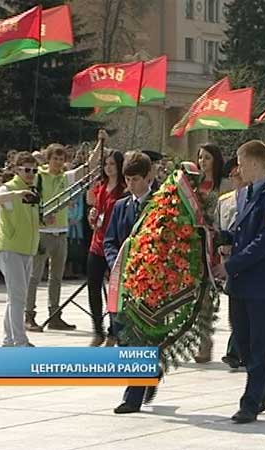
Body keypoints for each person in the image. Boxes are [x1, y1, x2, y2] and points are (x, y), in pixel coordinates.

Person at [213, 140, 265, 424]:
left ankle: (250, 402)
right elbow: (239, 231)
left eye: (242, 164)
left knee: (258, 343)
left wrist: (230, 265)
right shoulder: (243, 195)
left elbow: (264, 242)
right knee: (242, 343)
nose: (239, 169)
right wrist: (224, 239)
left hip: (258, 283)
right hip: (240, 282)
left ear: (255, 163)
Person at [25, 132, 104, 332]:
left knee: (56, 277)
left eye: (61, 159)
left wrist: (100, 143)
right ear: (48, 159)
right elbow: (29, 202)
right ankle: (29, 315)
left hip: (61, 232)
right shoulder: (38, 177)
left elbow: (88, 167)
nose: (59, 162)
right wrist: (42, 216)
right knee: (34, 276)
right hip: (43, 231)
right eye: (55, 158)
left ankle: (54, 315)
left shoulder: (65, 177)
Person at [104, 151, 158, 414]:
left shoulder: (160, 207)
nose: (132, 185)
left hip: (150, 282)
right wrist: (117, 261)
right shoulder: (120, 206)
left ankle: (132, 396)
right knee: (123, 335)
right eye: (128, 180)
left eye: (136, 179)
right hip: (122, 281)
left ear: (148, 177)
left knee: (141, 336)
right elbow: (109, 240)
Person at [0, 152, 41, 347]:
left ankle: (8, 339)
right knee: (18, 295)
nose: (30, 174)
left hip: (27, 249)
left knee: (16, 296)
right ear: (17, 170)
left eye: (34, 170)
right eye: (27, 170)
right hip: (9, 248)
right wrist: (16, 194)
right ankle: (20, 340)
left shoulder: (33, 190)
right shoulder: (9, 187)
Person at [87, 150, 126, 347]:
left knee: (114, 290)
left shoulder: (123, 189)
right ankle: (97, 329)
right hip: (97, 242)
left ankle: (113, 331)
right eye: (106, 164)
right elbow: (96, 213)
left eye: (112, 164)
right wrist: (92, 216)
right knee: (93, 287)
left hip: (115, 245)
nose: (109, 168)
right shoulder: (101, 187)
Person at [194, 142, 225, 363]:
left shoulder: (223, 185)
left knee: (207, 295)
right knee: (197, 295)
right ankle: (202, 339)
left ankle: (206, 341)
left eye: (206, 157)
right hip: (196, 244)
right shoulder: (194, 184)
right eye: (200, 157)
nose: (202, 162)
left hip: (216, 245)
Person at [216, 157, 248, 369]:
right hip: (229, 261)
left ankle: (239, 351)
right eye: (233, 175)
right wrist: (221, 248)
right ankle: (236, 351)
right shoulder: (224, 200)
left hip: (247, 258)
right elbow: (219, 228)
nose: (236, 178)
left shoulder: (257, 198)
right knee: (235, 308)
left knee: (247, 309)